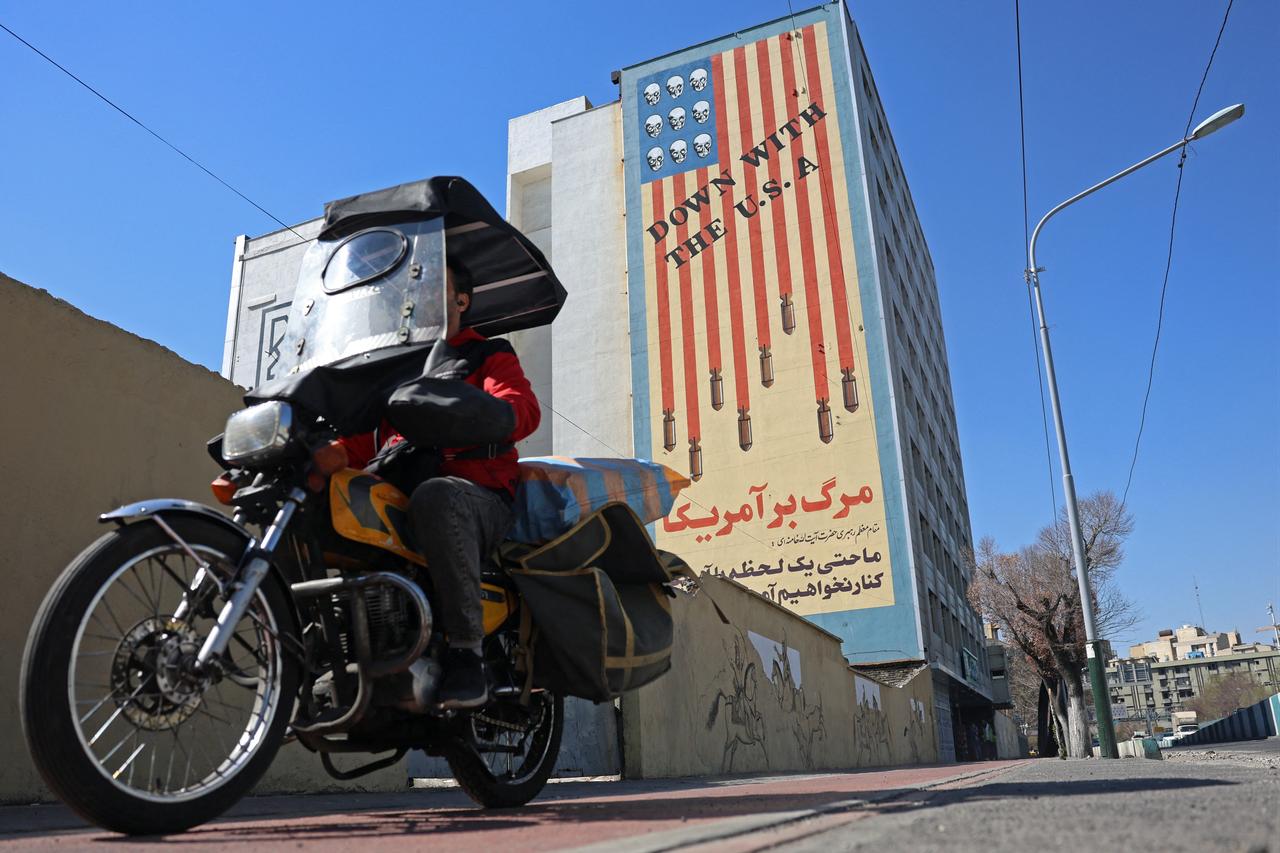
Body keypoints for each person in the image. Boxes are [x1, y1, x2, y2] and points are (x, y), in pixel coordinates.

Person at [339, 260, 540, 709]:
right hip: (404, 492)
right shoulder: (396, 373)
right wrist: (323, 451)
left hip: (480, 497)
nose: (420, 292)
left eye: (435, 284)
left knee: (439, 494)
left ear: (461, 300)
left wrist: (484, 411)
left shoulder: (486, 354)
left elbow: (520, 408)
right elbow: (357, 441)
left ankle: (467, 654)